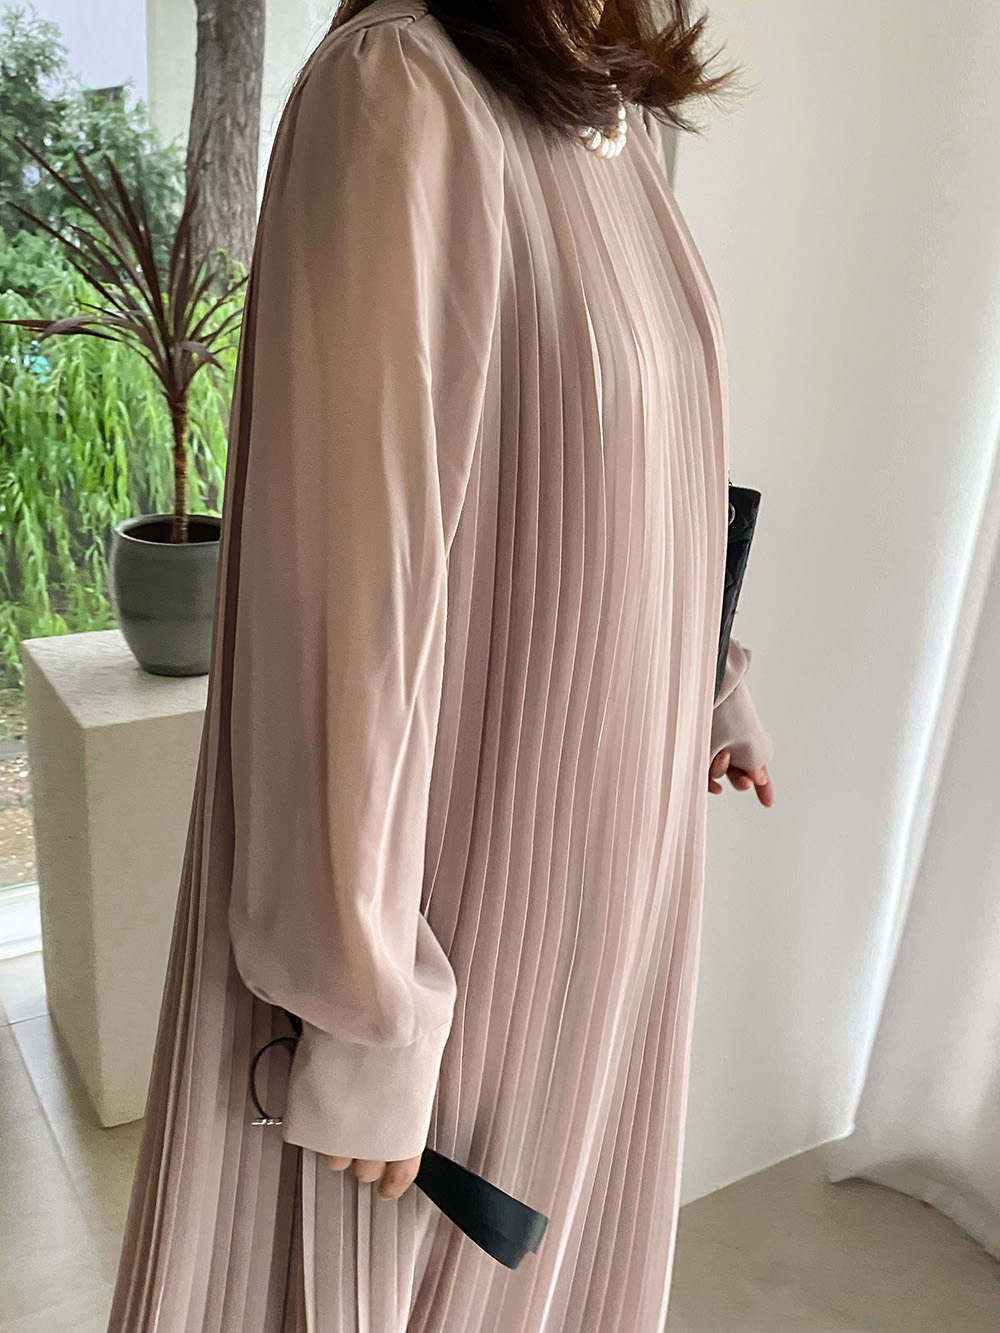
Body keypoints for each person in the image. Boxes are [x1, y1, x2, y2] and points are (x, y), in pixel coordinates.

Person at [107, 0, 775, 1328]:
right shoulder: (401, 91)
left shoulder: (612, 110)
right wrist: (365, 1009)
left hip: (614, 879)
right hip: (463, 900)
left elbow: (640, 465)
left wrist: (710, 678)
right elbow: (339, 597)